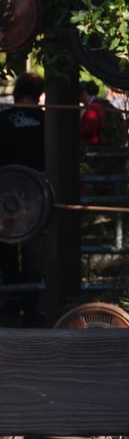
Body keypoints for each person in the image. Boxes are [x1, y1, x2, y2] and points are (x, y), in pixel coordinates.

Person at [0, 71, 46, 322]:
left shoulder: (3, 120)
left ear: (18, 93)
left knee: (6, 246)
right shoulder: (46, 122)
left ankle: (10, 297)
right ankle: (30, 303)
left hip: (5, 193)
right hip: (37, 195)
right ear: (38, 95)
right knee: (33, 249)